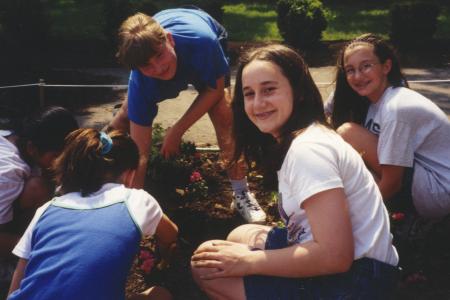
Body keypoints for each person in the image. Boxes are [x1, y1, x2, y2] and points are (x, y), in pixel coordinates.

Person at [190, 44, 399, 299]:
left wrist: (247, 262)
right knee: (237, 236)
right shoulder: (303, 137)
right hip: (357, 262)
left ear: (297, 91)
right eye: (249, 93)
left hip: (356, 281)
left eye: (269, 89)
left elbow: (336, 256)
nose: (258, 103)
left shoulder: (308, 151)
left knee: (205, 269)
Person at [109, 8, 266, 223]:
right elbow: (141, 156)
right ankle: (93, 167)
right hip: (161, 57)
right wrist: (132, 215)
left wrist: (177, 131)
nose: (158, 67)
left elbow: (214, 90)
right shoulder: (141, 82)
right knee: (125, 116)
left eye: (159, 55)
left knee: (223, 112)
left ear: (170, 40)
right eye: (146, 65)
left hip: (201, 39)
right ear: (137, 68)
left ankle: (241, 193)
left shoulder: (202, 41)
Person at [7, 128, 178, 300]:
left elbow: (15, 288)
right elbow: (170, 234)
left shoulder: (46, 210)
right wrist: (163, 258)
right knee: (160, 295)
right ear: (130, 175)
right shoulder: (135, 200)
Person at [329, 33, 450, 218]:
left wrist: (356, 216)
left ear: (386, 66)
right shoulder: (377, 99)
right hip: (425, 182)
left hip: (439, 191)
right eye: (350, 70)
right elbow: (328, 108)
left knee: (348, 133)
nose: (358, 76)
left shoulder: (396, 107)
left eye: (366, 66)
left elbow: (393, 183)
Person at [0, 106, 78, 287]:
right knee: (39, 188)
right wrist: (43, 251)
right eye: (57, 156)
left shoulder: (12, 138)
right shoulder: (7, 173)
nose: (62, 163)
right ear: (32, 148)